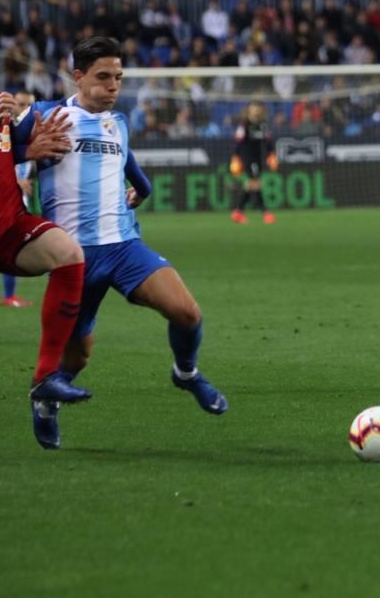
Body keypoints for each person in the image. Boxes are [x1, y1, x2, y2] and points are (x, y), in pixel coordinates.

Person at [12, 37, 228, 451]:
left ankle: (185, 373)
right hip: (72, 257)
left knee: (186, 312)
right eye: (103, 77)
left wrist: (141, 191)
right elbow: (10, 151)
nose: (114, 86)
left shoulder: (119, 123)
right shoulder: (44, 115)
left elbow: (131, 168)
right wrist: (24, 164)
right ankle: (44, 402)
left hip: (124, 246)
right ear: (79, 77)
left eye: (118, 77)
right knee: (77, 358)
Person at [0, 90, 90, 439]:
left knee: (68, 255)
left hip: (7, 227)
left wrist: (25, 149)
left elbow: (2, 148)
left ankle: (45, 380)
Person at [1, 91, 36, 308]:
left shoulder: (29, 132)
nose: (24, 108)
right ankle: (8, 296)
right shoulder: (3, 129)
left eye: (29, 105)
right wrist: (16, 181)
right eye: (21, 103)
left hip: (17, 198)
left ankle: (9, 295)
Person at [230, 100, 278, 225]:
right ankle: (265, 213)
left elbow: (268, 142)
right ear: (249, 110)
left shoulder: (263, 125)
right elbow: (238, 143)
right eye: (254, 108)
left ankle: (238, 211)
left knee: (250, 186)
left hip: (258, 158)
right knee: (256, 184)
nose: (256, 110)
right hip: (247, 158)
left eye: (258, 108)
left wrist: (272, 154)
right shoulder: (244, 125)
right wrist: (235, 158)